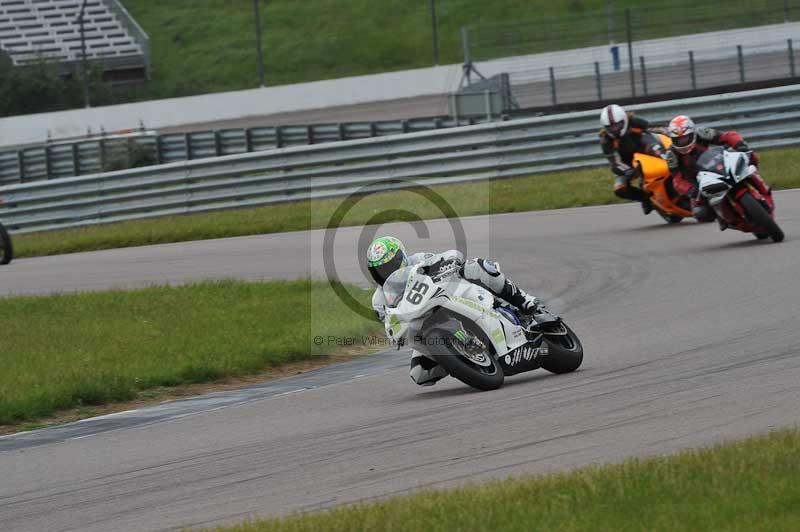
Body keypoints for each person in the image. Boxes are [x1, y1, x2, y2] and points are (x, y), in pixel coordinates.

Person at [366, 236, 539, 387]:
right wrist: (394, 333)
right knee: (420, 374)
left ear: (401, 258)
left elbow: (448, 256)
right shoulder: (379, 299)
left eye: (390, 265)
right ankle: (460, 358)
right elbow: (389, 322)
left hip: (449, 296)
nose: (386, 272)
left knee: (476, 266)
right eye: (380, 270)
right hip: (422, 324)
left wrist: (450, 262)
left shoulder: (418, 260)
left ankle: (525, 301)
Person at [665, 114, 764, 224]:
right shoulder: (671, 155)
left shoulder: (702, 133)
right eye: (679, 140)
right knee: (701, 214)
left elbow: (728, 136)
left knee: (750, 156)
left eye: (685, 138)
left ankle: (758, 181)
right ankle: (725, 218)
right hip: (696, 181)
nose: (682, 142)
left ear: (693, 133)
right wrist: (689, 190)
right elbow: (677, 180)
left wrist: (740, 145)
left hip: (717, 163)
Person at [599, 104, 669, 214]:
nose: (614, 129)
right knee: (619, 188)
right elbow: (615, 162)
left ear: (624, 120)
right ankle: (645, 198)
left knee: (658, 149)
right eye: (610, 127)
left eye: (617, 125)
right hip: (628, 165)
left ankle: (674, 166)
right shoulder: (606, 141)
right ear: (605, 127)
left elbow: (653, 128)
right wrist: (627, 171)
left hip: (645, 149)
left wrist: (670, 132)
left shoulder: (634, 122)